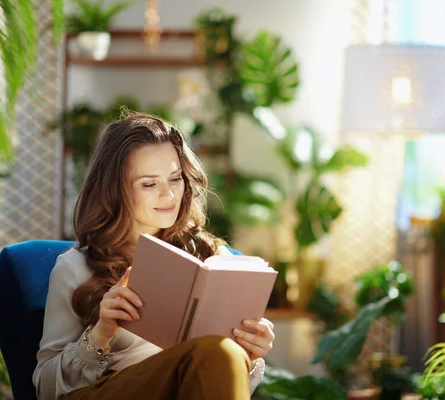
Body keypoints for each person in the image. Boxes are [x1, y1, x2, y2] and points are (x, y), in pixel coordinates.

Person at [32, 112, 275, 400]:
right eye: (149, 184)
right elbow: (45, 389)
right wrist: (101, 332)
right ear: (115, 190)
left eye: (175, 179)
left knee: (221, 352)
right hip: (112, 391)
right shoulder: (76, 267)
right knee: (215, 351)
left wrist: (249, 353)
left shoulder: (212, 256)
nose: (169, 195)